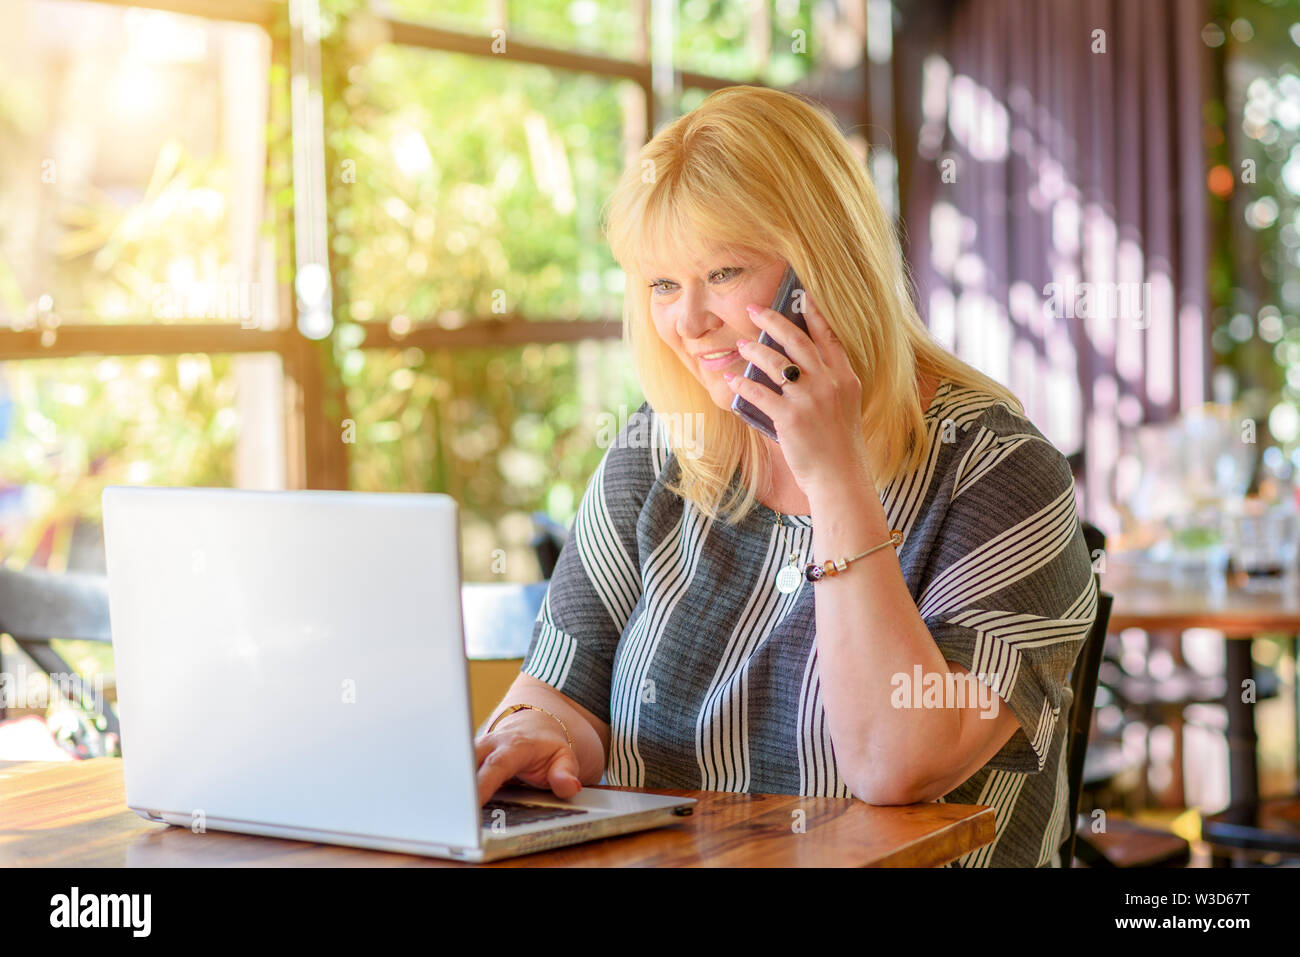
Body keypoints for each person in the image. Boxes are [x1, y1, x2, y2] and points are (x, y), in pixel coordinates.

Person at [475, 85, 1098, 867]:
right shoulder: (659, 447)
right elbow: (561, 687)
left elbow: (894, 759)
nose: (688, 322)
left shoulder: (1001, 475)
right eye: (663, 285)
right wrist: (537, 733)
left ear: (823, 267)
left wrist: (835, 474)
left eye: (724, 272)